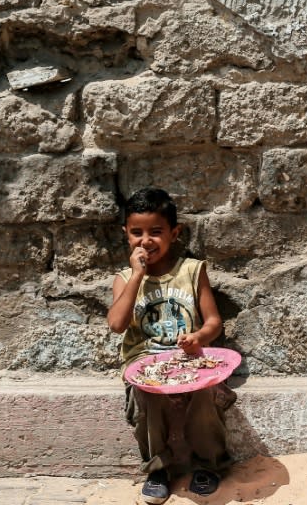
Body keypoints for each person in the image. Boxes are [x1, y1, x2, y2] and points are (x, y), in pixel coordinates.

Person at [107, 187, 236, 504]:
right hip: (146, 365)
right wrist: (138, 275)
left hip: (190, 362)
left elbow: (213, 322)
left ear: (174, 233)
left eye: (156, 232)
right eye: (136, 233)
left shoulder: (192, 271)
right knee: (147, 395)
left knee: (205, 394)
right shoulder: (124, 278)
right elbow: (116, 324)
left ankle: (209, 465)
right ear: (126, 235)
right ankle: (158, 469)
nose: (145, 240)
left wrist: (198, 339)